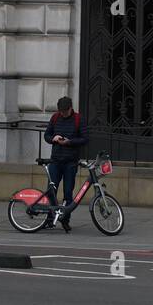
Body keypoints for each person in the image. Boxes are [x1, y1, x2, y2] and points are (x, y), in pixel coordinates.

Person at [43, 96, 88, 233]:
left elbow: (85, 139)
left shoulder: (78, 119)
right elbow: (47, 135)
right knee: (51, 191)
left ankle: (65, 220)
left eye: (64, 111)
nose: (62, 114)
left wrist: (69, 142)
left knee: (68, 193)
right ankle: (49, 219)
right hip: (55, 161)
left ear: (70, 109)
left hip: (70, 162)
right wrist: (53, 139)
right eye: (60, 111)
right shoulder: (55, 118)